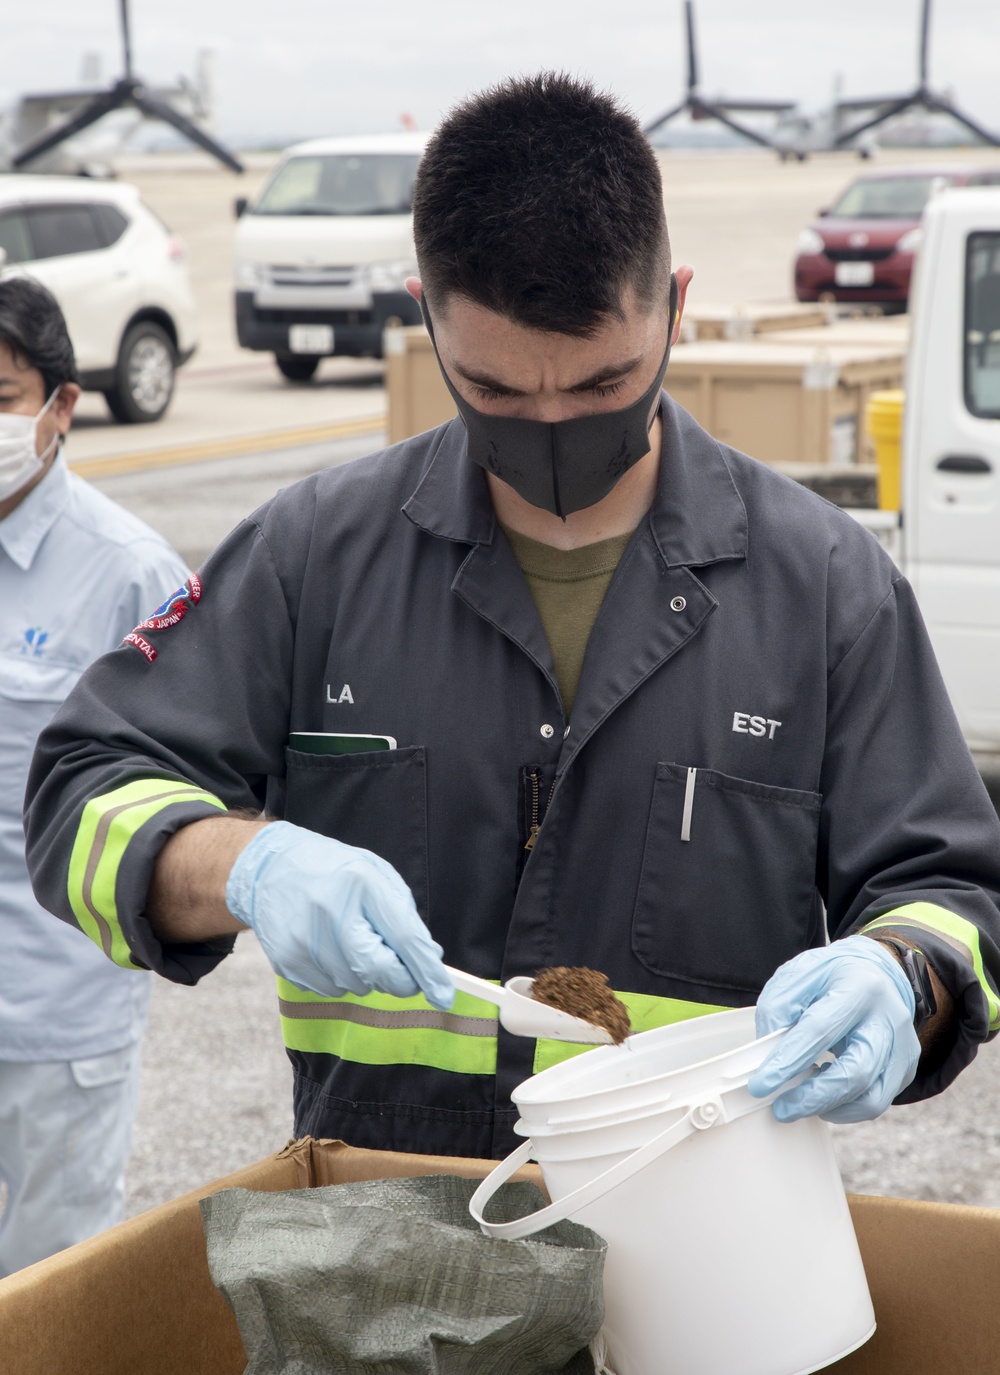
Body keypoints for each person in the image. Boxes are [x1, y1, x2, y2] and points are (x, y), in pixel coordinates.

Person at [25, 76, 1000, 1162]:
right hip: (390, 1260)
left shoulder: (824, 587)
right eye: (495, 390)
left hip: (703, 1251)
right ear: (423, 315)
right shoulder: (314, 558)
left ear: (674, 307)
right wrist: (244, 864)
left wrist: (901, 976)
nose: (549, 428)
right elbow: (82, 793)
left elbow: (949, 890)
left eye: (600, 387)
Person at [0, 277, 187, 1271]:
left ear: (60, 405)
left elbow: (195, 788)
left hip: (55, 1015)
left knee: (48, 1286)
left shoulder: (131, 573)